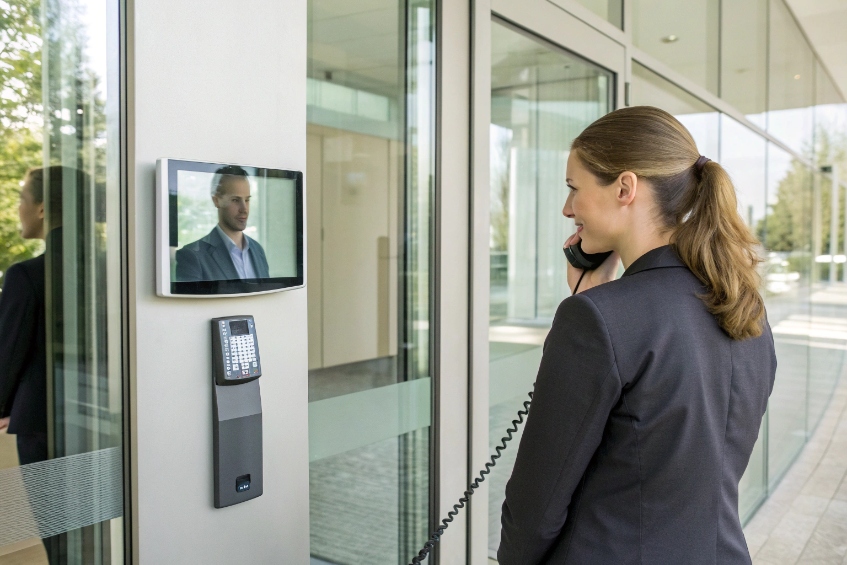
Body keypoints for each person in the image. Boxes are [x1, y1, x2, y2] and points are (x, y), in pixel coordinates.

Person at [498, 106, 776, 564]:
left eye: (574, 189)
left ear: (625, 187)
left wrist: (593, 303)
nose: (568, 209)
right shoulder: (745, 308)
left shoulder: (596, 319)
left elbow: (536, 505)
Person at [175, 165, 270, 282]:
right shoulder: (192, 256)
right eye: (235, 200)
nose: (244, 209)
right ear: (216, 201)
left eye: (247, 200)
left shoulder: (257, 250)